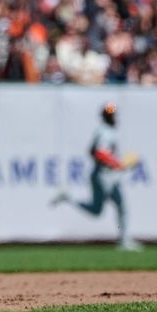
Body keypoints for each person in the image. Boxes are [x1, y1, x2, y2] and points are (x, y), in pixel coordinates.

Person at [50, 103, 142, 251]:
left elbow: (92, 151)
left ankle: (124, 240)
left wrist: (115, 164)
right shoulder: (105, 132)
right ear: (108, 117)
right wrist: (116, 163)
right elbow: (100, 152)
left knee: (108, 208)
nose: (115, 117)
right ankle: (124, 241)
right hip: (104, 176)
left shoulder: (107, 131)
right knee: (110, 208)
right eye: (112, 114)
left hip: (106, 174)